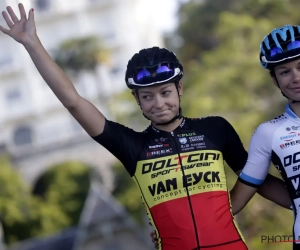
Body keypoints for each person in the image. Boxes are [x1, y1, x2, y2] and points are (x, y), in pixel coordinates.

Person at [0, 4, 292, 250]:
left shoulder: (215, 129)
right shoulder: (132, 145)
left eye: (165, 92)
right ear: (136, 100)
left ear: (179, 88)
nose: (158, 103)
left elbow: (258, 181)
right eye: (147, 96)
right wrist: (32, 43)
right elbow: (74, 102)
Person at [229, 24, 300, 250]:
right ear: (275, 80)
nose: (296, 78)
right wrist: (174, 228)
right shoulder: (269, 133)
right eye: (285, 71)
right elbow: (235, 202)